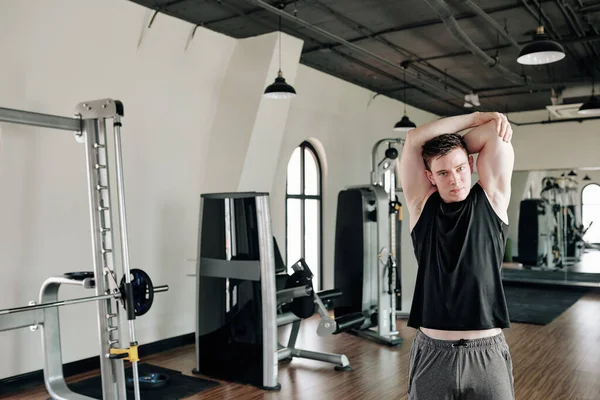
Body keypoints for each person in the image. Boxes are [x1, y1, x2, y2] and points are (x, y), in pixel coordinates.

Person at [399, 111, 515, 399]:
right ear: (430, 177)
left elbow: (492, 132)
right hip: (433, 352)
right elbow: (413, 139)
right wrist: (475, 116)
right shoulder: (420, 204)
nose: (455, 179)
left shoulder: (493, 197)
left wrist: (459, 143)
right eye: (443, 173)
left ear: (472, 163)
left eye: (461, 168)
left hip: (487, 353)